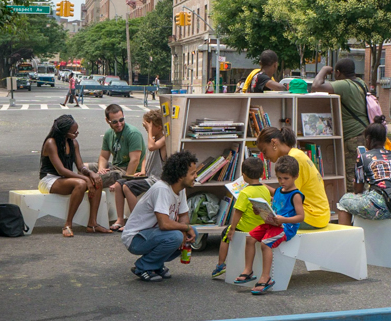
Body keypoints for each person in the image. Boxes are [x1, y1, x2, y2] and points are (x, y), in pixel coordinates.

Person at [120, 151, 199, 282]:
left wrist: (186, 229)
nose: (196, 176)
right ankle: (143, 266)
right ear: (180, 176)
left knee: (191, 232)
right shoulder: (162, 189)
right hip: (136, 239)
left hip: (152, 235)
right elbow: (164, 224)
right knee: (176, 236)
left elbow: (183, 214)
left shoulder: (181, 189)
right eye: (192, 174)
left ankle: (155, 265)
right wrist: (184, 228)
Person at [238, 156, 305, 295]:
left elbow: (301, 217)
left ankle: (266, 277)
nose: (282, 182)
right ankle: (248, 270)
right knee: (250, 238)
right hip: (272, 223)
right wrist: (259, 211)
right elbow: (274, 206)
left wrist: (283, 220)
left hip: (285, 228)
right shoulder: (279, 190)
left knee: (265, 243)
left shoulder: (296, 195)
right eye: (279, 178)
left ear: (295, 176)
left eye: (286, 178)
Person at [39, 115, 111, 237]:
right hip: (49, 179)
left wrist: (90, 173)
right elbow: (61, 170)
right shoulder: (51, 143)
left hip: (65, 179)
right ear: (63, 132)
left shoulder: (73, 143)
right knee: (81, 183)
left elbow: (80, 166)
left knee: (97, 181)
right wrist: (84, 178)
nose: (76, 134)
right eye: (73, 132)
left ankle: (92, 224)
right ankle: (68, 224)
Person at [310, 58, 371, 192]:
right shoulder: (360, 83)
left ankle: (353, 208)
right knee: (361, 173)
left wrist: (324, 70)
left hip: (352, 137)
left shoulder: (345, 85)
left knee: (352, 176)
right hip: (363, 133)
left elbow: (315, 86)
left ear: (338, 73)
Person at [255, 126, 330, 229]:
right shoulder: (295, 154)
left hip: (311, 216)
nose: (265, 157)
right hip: (317, 214)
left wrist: (259, 185)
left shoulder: (294, 159)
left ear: (273, 143)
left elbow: (288, 196)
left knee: (262, 222)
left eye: (264, 151)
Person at [210, 157, 272, 280]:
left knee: (224, 234)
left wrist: (232, 229)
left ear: (243, 175)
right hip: (261, 225)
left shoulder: (245, 192)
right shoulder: (265, 189)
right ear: (261, 174)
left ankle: (220, 265)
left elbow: (238, 212)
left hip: (246, 227)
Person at [336, 121, 391, 224]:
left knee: (344, 201)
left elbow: (358, 189)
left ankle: (346, 238)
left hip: (379, 207)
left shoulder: (364, 157)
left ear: (368, 139)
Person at [110, 109, 167, 232]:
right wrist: (143, 170)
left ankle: (136, 221)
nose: (146, 128)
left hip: (157, 180)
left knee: (128, 187)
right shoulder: (154, 138)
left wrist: (150, 129)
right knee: (120, 184)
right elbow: (146, 157)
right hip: (149, 176)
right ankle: (120, 219)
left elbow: (152, 148)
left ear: (158, 127)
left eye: (148, 125)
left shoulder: (164, 139)